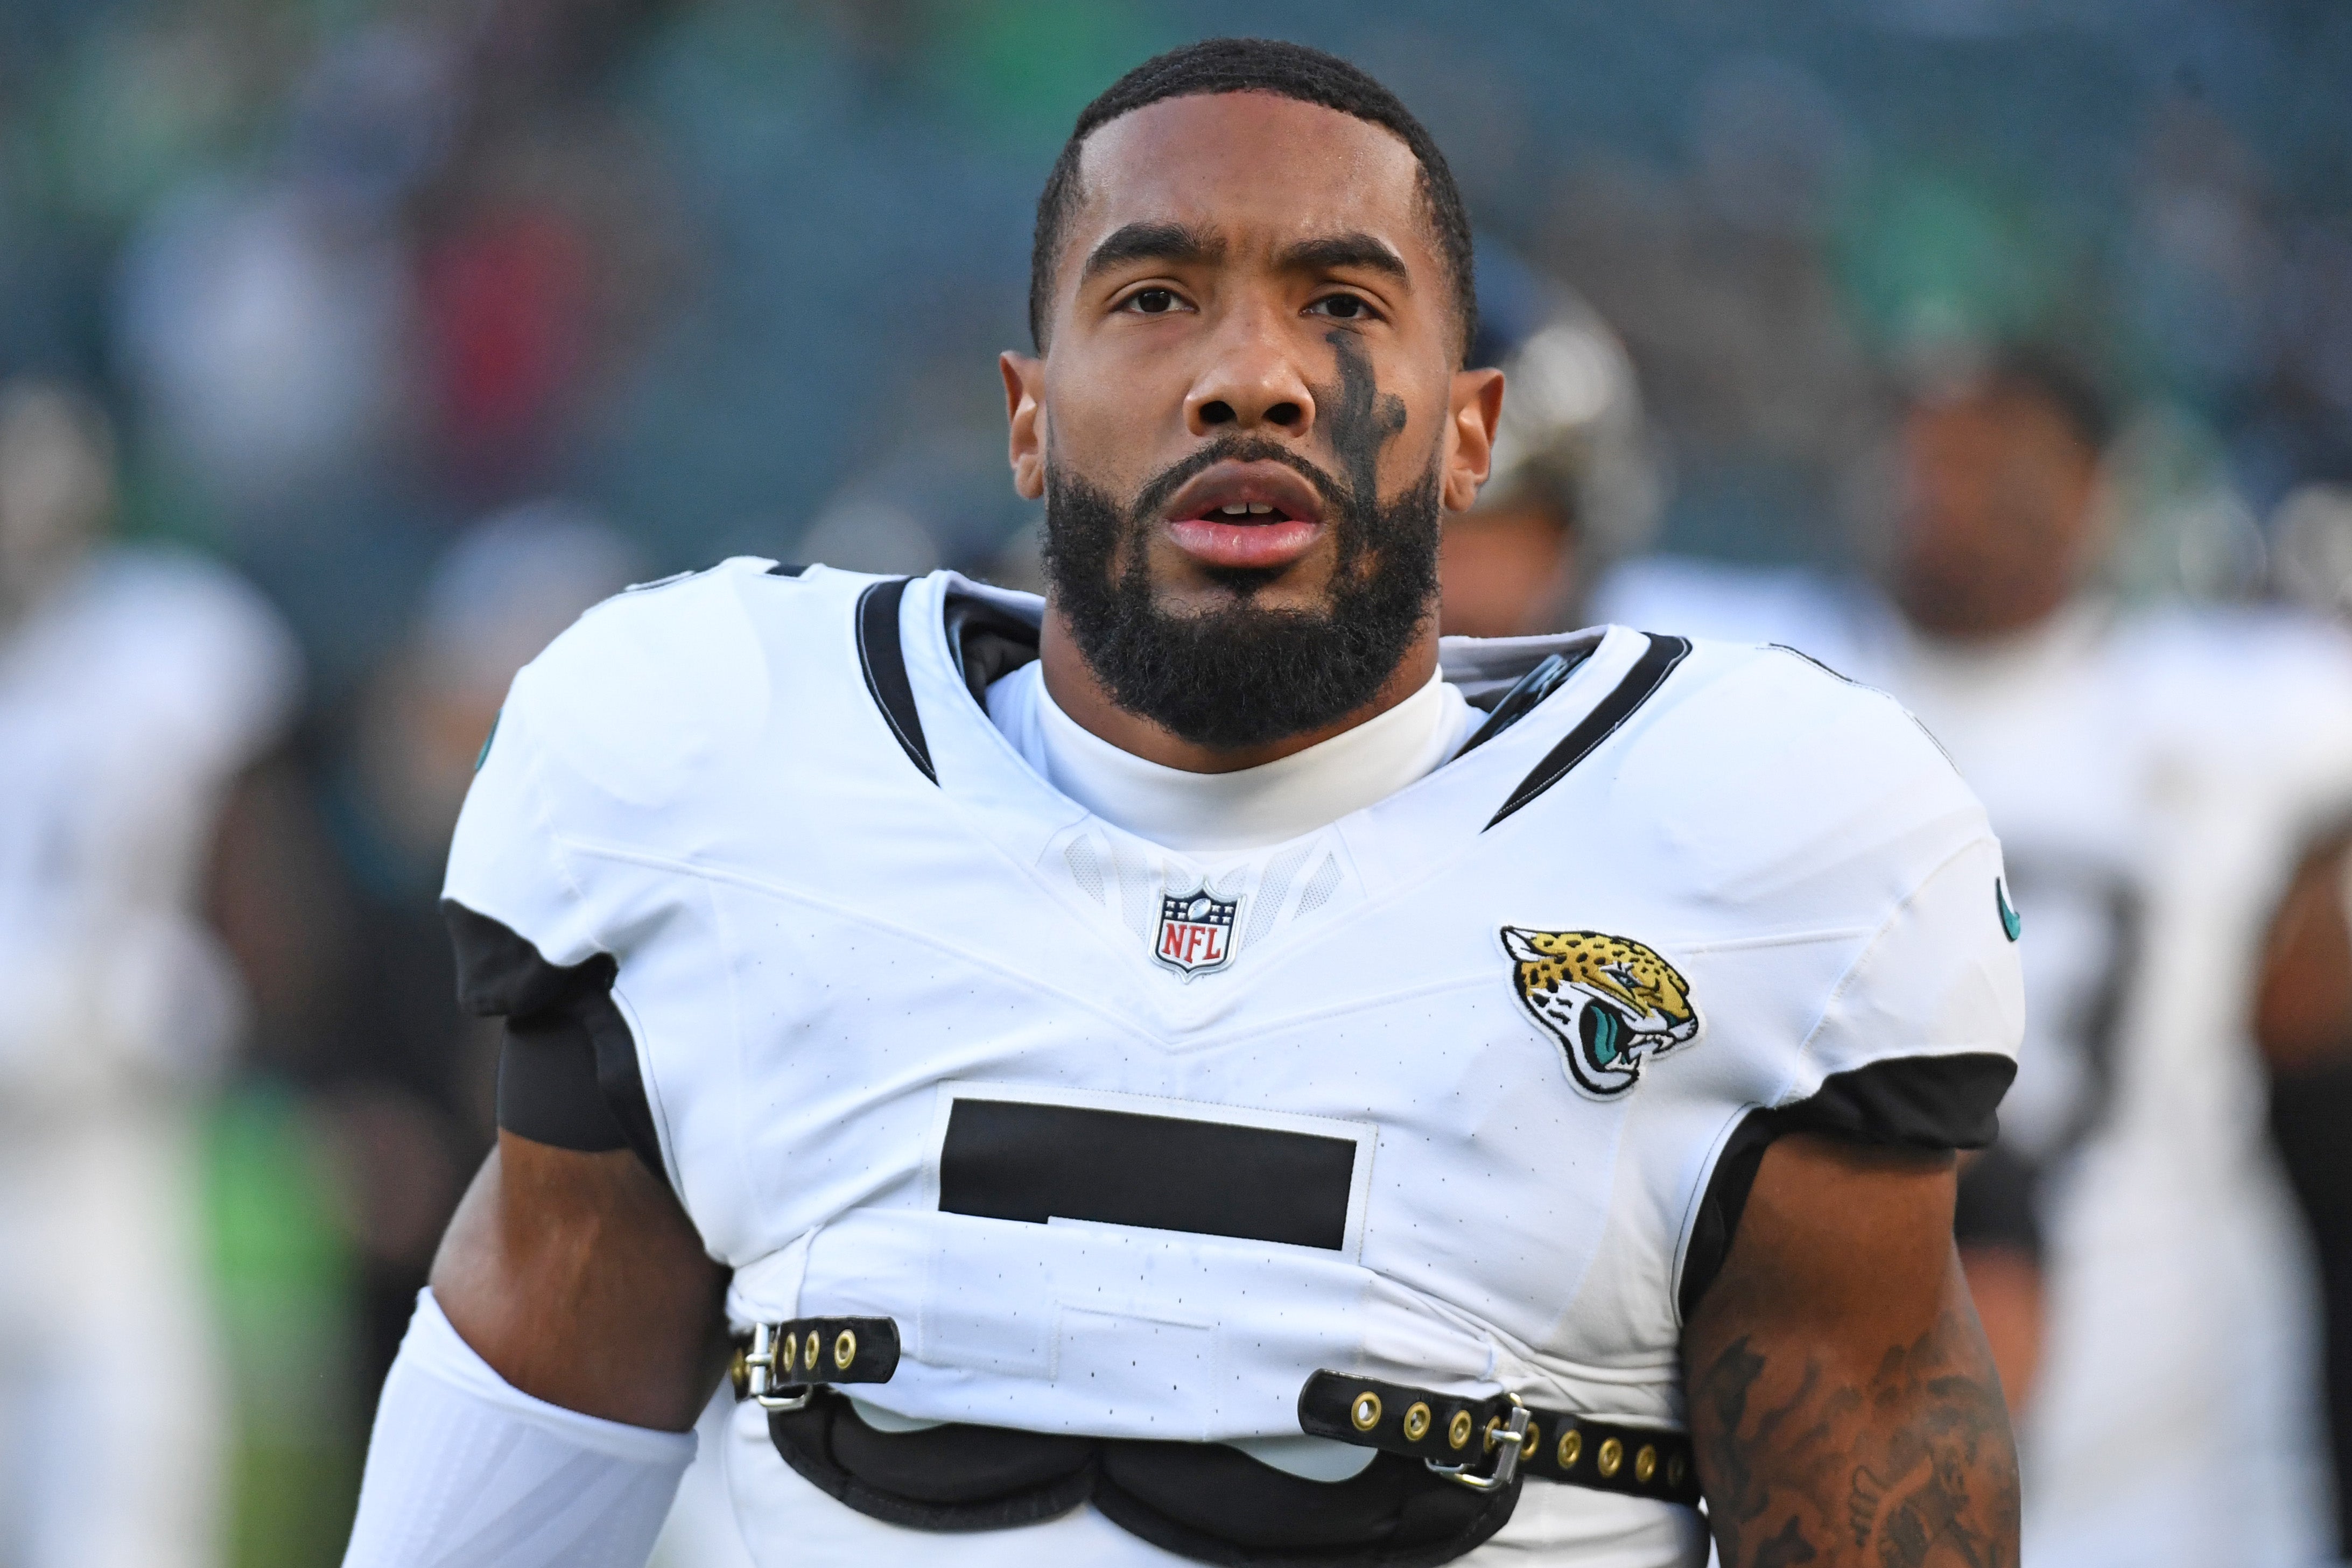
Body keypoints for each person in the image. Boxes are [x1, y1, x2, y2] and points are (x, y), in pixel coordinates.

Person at [341, 40, 2025, 1568]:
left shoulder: (1745, 850)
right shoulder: (720, 770)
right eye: (1153, 298)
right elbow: (516, 1454)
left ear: (1467, 433)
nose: (1251, 378)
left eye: (1343, 306)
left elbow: (1871, 1460)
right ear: (1025, 417)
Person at [1601, 351, 2352, 1565]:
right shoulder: (1734, 671)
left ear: (2098, 483)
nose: (1945, 483)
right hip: (1829, 1376)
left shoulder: (2238, 709)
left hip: (2167, 1424)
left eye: (1996, 449)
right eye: (1921, 445)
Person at [0, 381, 301, 1568]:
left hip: (116, 1138)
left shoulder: (170, 639)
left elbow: (261, 895)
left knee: (122, 1511)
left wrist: (190, 989)